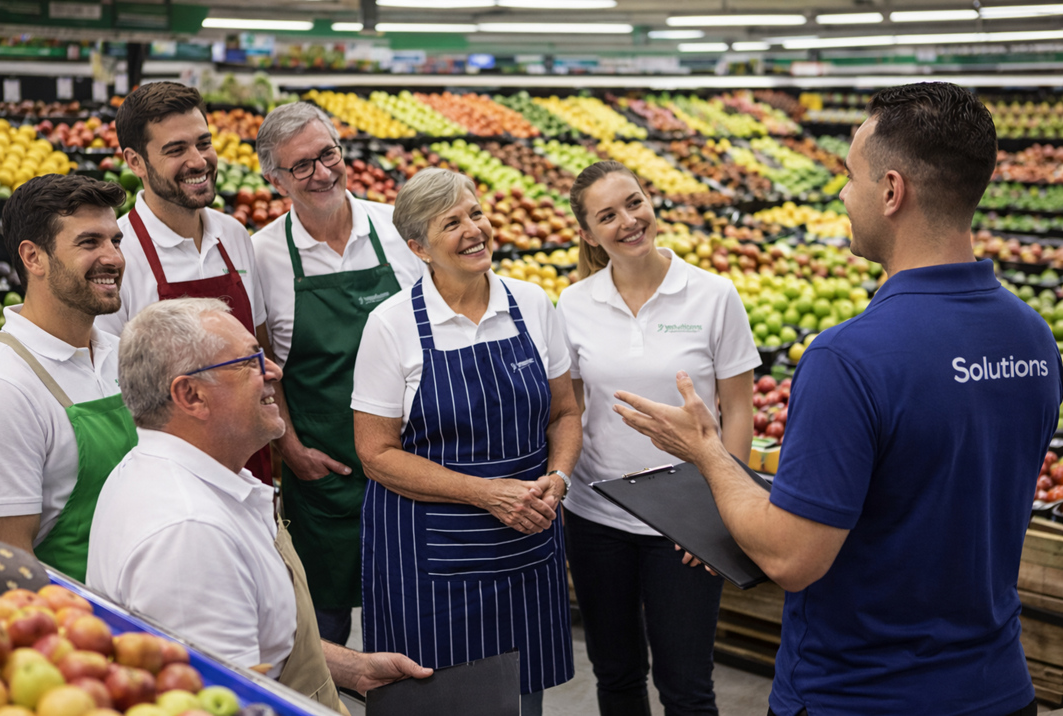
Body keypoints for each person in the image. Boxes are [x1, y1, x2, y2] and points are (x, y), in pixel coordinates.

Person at [614, 82, 1062, 716]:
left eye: (850, 176)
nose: (842, 194)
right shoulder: (1033, 337)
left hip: (860, 695)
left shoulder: (847, 357)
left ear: (892, 191)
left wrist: (706, 451)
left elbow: (792, 557)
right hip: (998, 689)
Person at [86, 297, 432, 713]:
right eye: (249, 361)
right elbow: (233, 702)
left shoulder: (183, 474)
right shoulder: (191, 535)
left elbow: (260, 639)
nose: (274, 371)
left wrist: (351, 668)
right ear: (191, 395)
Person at [351, 168, 581, 716]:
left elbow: (566, 413)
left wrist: (559, 477)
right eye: (451, 223)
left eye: (475, 213)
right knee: (436, 699)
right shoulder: (391, 325)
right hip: (430, 556)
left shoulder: (532, 304)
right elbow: (375, 454)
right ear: (419, 248)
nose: (474, 230)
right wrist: (486, 494)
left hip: (525, 543)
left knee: (523, 700)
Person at [557, 160, 759, 716]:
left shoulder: (713, 295)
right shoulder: (574, 304)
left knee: (687, 686)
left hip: (688, 522)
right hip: (597, 517)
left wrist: (720, 510)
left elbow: (738, 411)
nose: (628, 221)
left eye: (634, 202)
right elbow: (571, 409)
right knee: (616, 674)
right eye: (607, 216)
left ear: (650, 202)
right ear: (588, 234)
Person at [251, 102, 425, 645]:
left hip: (412, 461)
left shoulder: (397, 232)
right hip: (324, 473)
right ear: (275, 180)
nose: (322, 173)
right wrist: (292, 452)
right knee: (322, 630)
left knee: (408, 623)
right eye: (301, 165)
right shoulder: (261, 256)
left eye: (328, 154)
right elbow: (264, 367)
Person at [94, 81, 271, 485]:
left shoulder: (234, 235)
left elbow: (260, 349)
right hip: (171, 476)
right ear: (135, 162)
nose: (198, 161)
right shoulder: (117, 256)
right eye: (176, 150)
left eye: (203, 143)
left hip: (251, 463)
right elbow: (110, 389)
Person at [0, 175, 134, 583]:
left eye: (116, 241)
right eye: (89, 243)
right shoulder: (3, 386)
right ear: (33, 257)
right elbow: (9, 568)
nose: (113, 258)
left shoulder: (123, 354)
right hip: (79, 615)